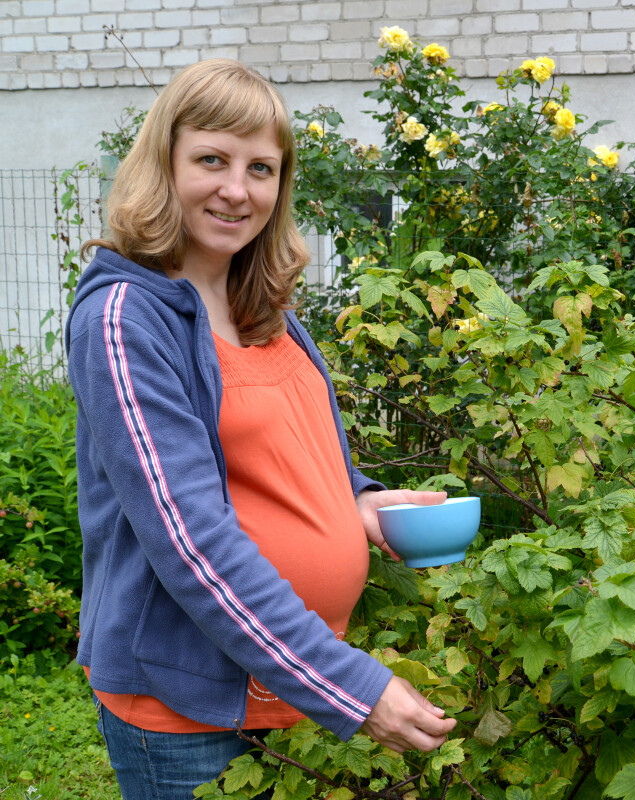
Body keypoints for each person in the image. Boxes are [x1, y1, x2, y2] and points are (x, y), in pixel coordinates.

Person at [67, 59, 456, 799]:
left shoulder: (267, 313)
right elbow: (189, 539)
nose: (237, 190)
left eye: (262, 168)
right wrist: (352, 686)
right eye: (211, 159)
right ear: (163, 164)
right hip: (188, 708)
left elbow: (298, 455)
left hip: (285, 687)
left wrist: (360, 503)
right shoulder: (125, 321)